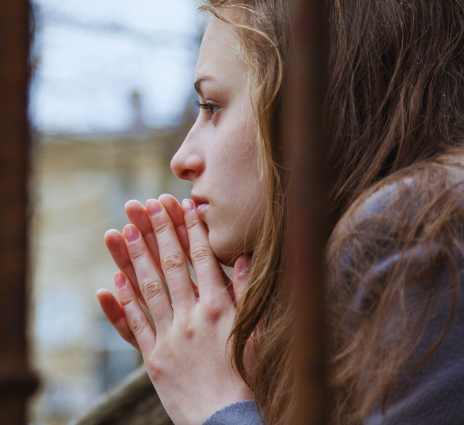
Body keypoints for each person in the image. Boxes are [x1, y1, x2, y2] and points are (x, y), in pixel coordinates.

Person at [96, 1, 464, 424]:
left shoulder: (419, 230)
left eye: (212, 106)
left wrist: (216, 404)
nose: (182, 159)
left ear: (316, 109)